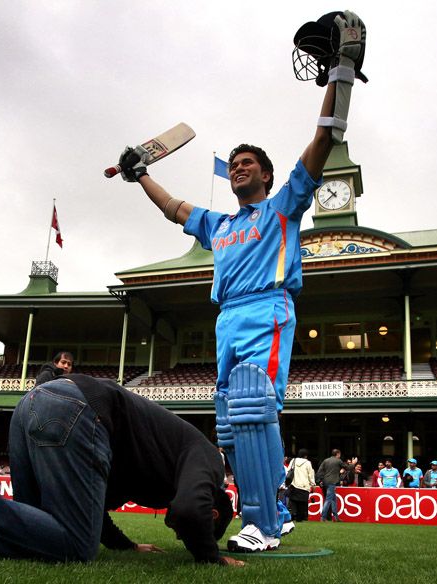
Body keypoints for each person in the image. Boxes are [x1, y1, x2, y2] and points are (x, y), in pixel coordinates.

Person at [115, 10, 366, 553]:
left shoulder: (283, 207)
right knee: (230, 425)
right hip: (227, 319)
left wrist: (340, 75)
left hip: (267, 309)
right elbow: (172, 210)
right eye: (233, 164)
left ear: (268, 174)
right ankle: (276, 508)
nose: (238, 168)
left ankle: (265, 526)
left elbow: (321, 143)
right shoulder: (220, 225)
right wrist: (140, 175)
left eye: (248, 162)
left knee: (254, 405)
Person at [0, 373, 242, 566]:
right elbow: (187, 510)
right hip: (77, 410)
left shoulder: (155, 465)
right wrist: (210, 556)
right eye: (189, 535)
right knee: (76, 547)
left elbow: (91, 505)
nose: (179, 535)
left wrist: (125, 545)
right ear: (212, 513)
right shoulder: (210, 459)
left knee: (38, 529)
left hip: (34, 404)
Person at [316, 449, 355, 522]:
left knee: (334, 500)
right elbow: (348, 468)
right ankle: (323, 517)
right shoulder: (338, 460)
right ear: (337, 454)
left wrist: (320, 481)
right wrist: (353, 463)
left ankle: (336, 517)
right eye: (339, 454)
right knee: (328, 500)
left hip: (325, 482)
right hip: (332, 482)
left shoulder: (326, 460)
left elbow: (319, 471)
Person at [286, 448, 316, 522]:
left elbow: (288, 471)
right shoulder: (308, 463)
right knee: (302, 503)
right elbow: (310, 475)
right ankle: (299, 518)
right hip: (304, 486)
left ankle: (293, 515)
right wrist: (313, 485)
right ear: (305, 455)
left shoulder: (293, 460)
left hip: (293, 485)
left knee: (293, 502)